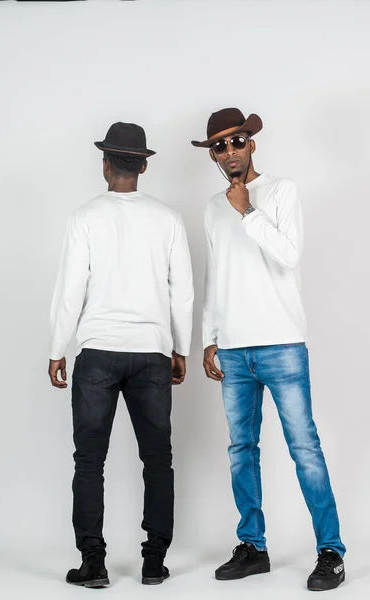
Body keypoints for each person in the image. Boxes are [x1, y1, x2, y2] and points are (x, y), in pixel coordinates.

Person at [192, 108, 345, 591]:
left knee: (305, 448)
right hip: (234, 349)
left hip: (280, 342)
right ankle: (253, 546)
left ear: (252, 143)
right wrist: (209, 337)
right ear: (214, 155)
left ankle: (331, 551)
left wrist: (248, 210)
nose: (229, 151)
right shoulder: (213, 208)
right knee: (242, 450)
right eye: (219, 145)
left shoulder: (280, 191)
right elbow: (217, 274)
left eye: (237, 141)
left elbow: (289, 254)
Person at [49, 122, 194, 588]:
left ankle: (93, 563)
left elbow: (71, 292)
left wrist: (57, 349)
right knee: (158, 459)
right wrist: (181, 348)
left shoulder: (85, 217)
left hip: (97, 353)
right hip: (152, 353)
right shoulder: (168, 219)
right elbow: (183, 294)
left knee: (90, 460)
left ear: (105, 164)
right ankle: (154, 561)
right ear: (144, 165)